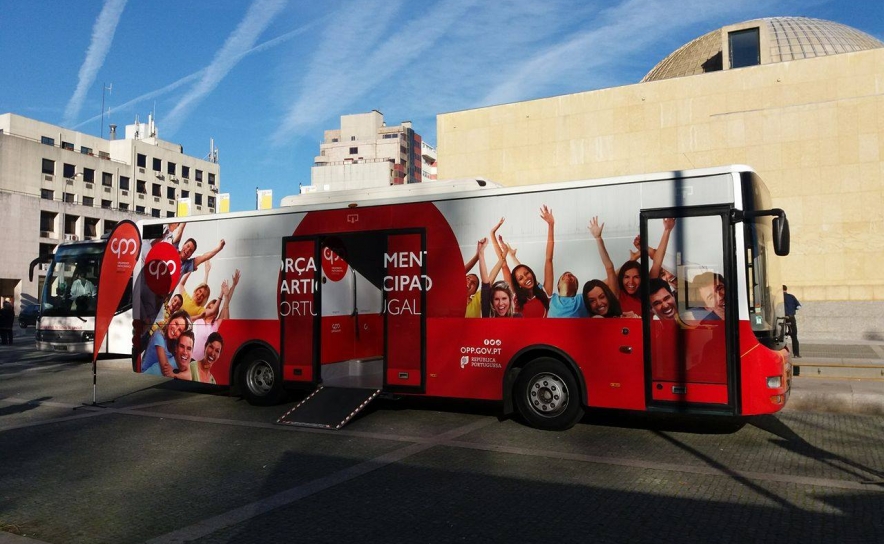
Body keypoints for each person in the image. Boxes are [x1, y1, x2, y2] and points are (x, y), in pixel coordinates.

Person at [192, 269, 240, 362]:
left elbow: (226, 304)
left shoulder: (215, 325)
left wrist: (233, 286)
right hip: (189, 359)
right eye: (209, 307)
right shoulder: (198, 319)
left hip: (202, 362)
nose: (211, 310)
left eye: (214, 310)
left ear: (216, 314)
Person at [141, 310, 190, 376]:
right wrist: (181, 375)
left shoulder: (174, 345)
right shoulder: (158, 335)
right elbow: (165, 370)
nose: (175, 330)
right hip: (145, 374)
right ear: (171, 319)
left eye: (180, 330)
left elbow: (186, 370)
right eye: (176, 324)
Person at [783, 285, 801, 358]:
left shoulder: (778, 298)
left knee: (780, 335)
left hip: (781, 318)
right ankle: (796, 354)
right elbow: (798, 307)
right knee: (794, 336)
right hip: (791, 317)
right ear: (786, 289)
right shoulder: (791, 296)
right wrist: (792, 308)